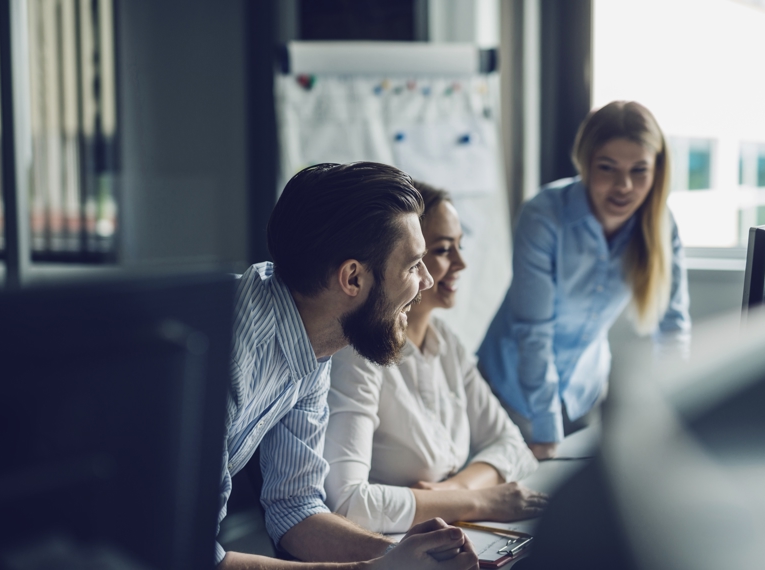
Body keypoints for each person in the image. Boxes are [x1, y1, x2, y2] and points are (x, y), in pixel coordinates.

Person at [218, 162, 479, 570]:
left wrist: (399, 557)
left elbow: (296, 509)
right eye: (412, 265)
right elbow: (189, 556)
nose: (426, 281)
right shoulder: (227, 350)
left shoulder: (315, 340)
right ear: (352, 278)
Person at [323, 181, 545, 535]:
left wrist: (451, 491)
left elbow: (512, 445)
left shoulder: (446, 343)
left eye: (460, 246)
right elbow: (349, 506)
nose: (460, 263)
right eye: (443, 250)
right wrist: (480, 500)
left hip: (450, 528)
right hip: (390, 546)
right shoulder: (358, 354)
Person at [478, 101, 691, 460]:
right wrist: (546, 431)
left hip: (584, 392)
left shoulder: (660, 225)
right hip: (510, 393)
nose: (624, 186)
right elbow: (534, 331)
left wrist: (680, 414)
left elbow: (673, 327)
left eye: (639, 170)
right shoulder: (544, 215)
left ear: (657, 171)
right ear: (585, 163)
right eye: (608, 168)